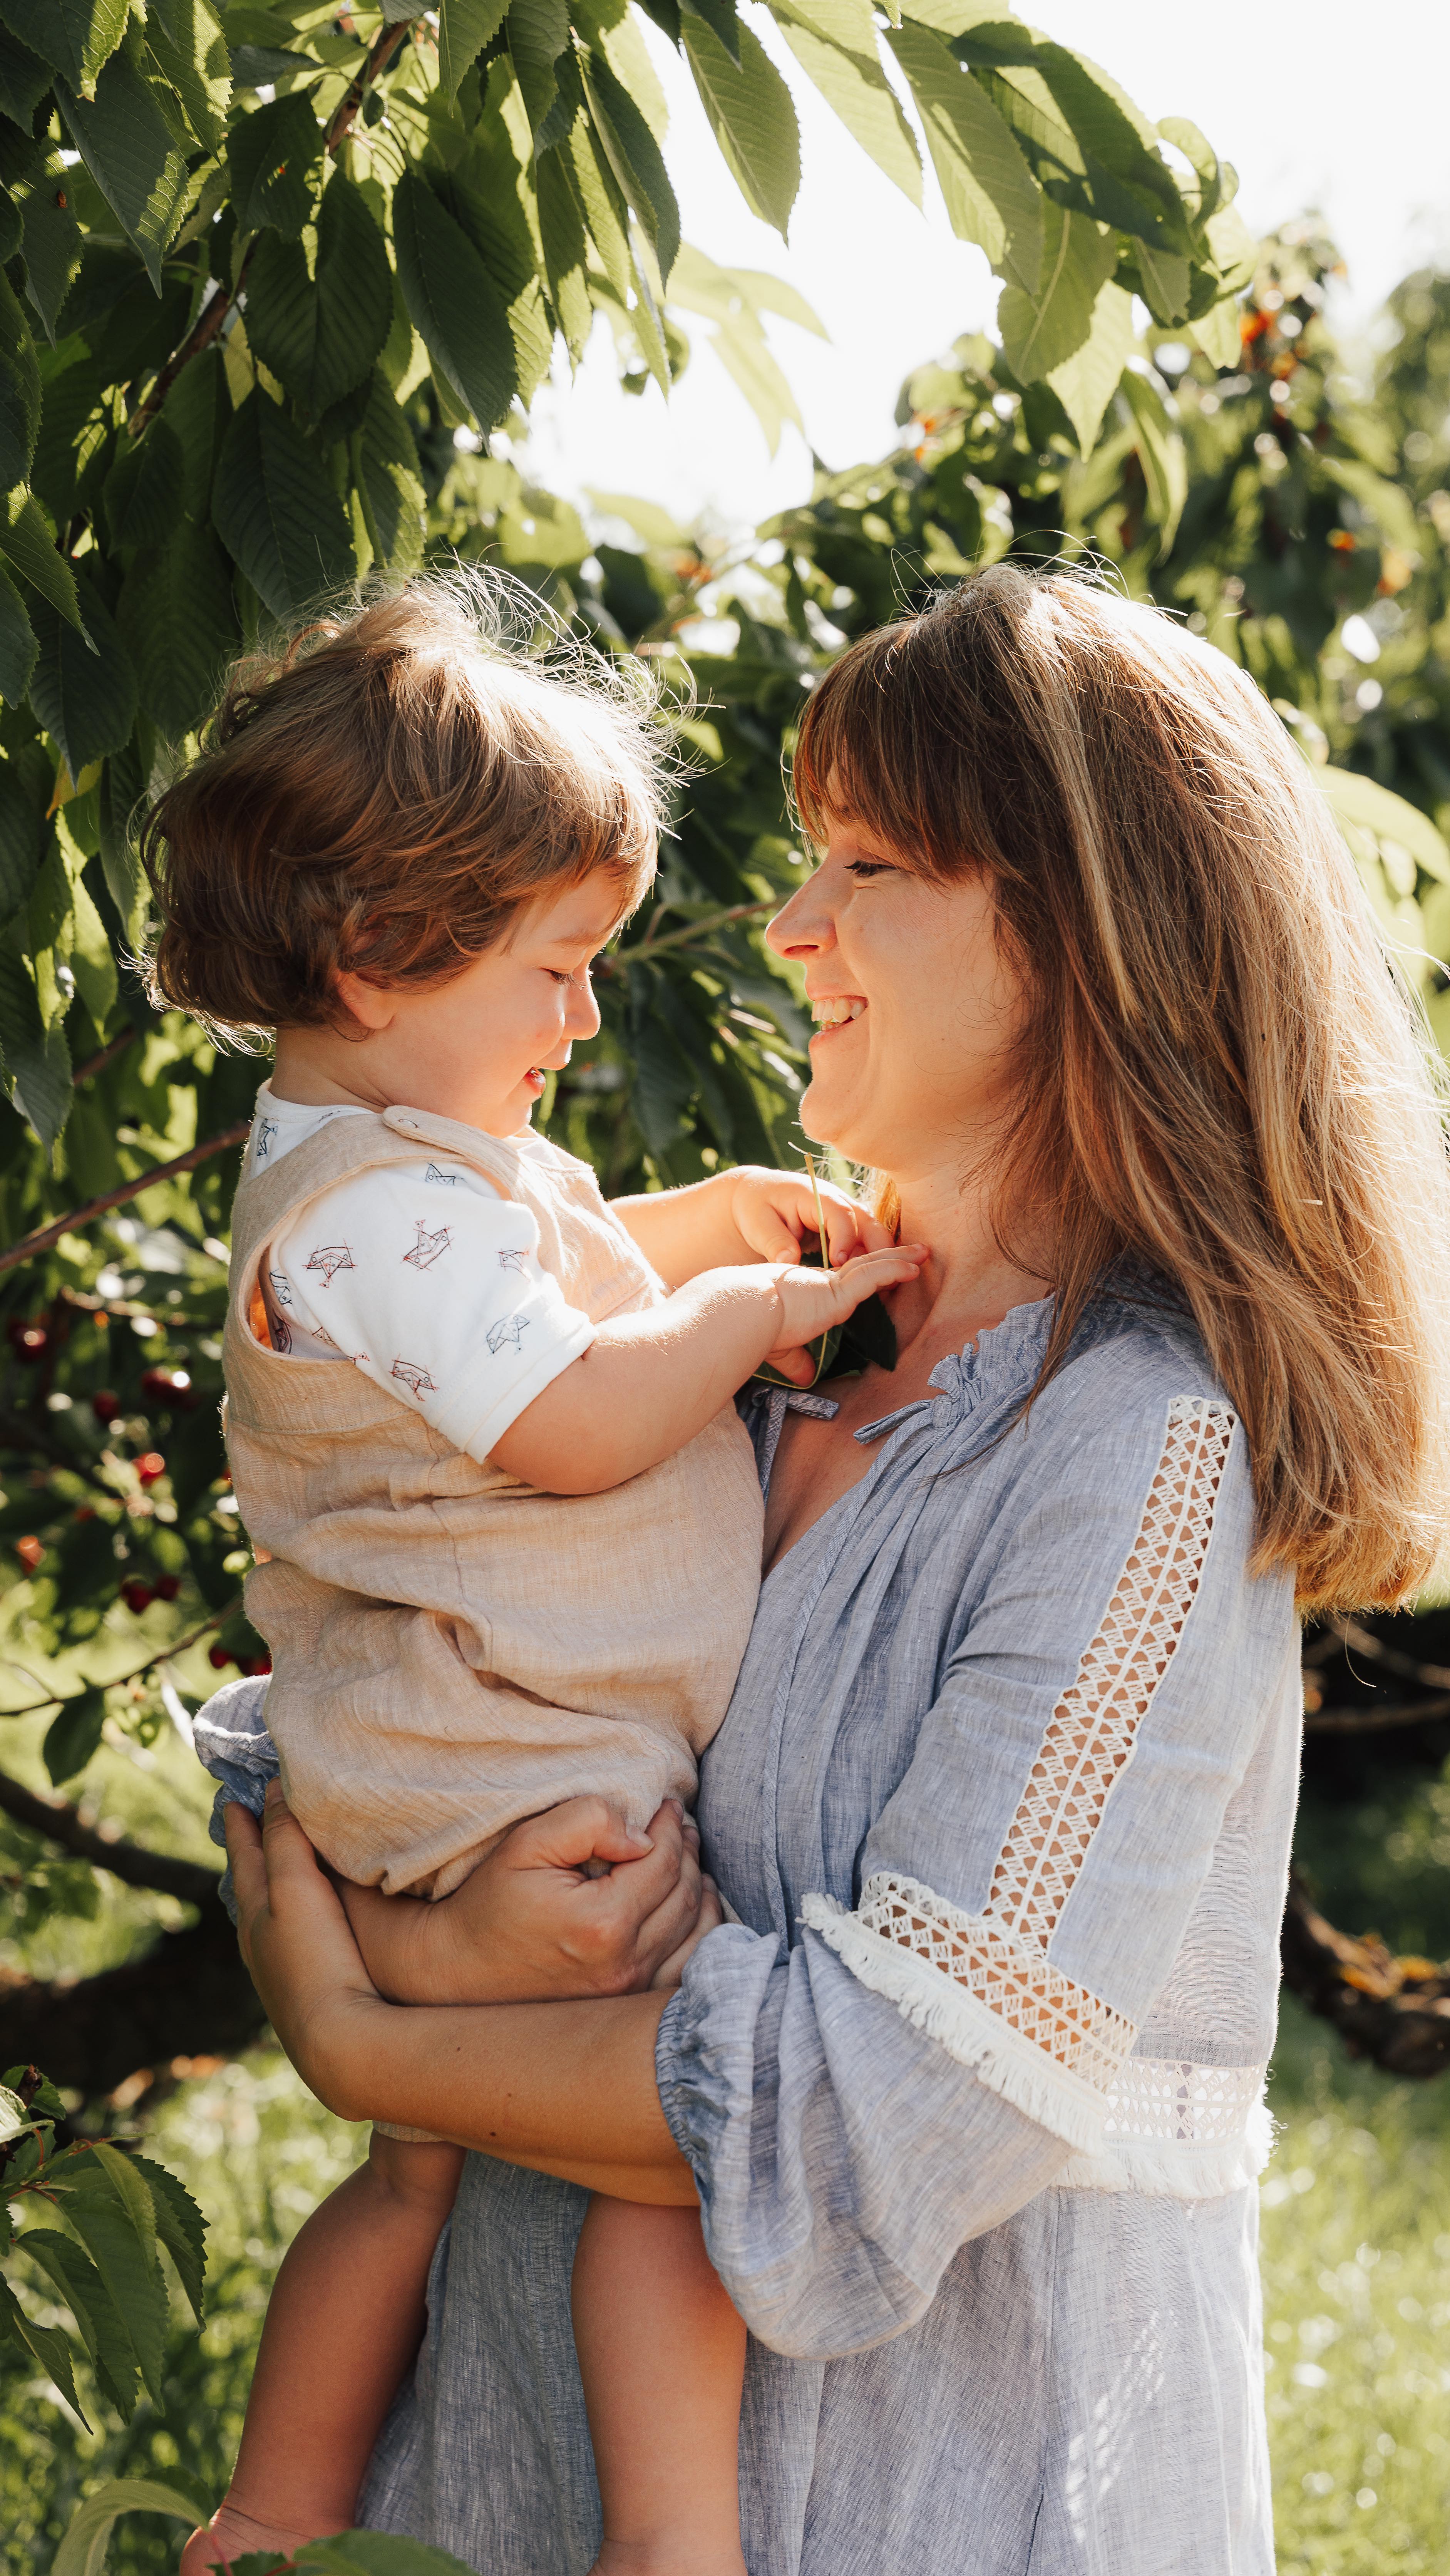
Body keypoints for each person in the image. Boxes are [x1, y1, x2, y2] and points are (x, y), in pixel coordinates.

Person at [205, 564, 1450, 2576]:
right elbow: (392, 1654)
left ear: (1076, 940)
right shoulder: (745, 1352)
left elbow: (895, 2104)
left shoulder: (1137, 1450)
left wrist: (371, 2041)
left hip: (933, 2508)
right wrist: (406, 1907)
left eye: (864, 863)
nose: (787, 924)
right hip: (504, 2478)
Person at [150, 578, 922, 2576]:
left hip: (455, 1745)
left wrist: (685, 1227)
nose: (584, 1017)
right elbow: (569, 1412)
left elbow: (536, 1285)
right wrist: (749, 1304)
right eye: (554, 968)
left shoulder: (396, 1153)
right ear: (378, 950)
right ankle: (668, 2545)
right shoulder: (376, 1210)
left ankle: (272, 2513)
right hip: (487, 1752)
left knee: (414, 2175)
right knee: (670, 2145)